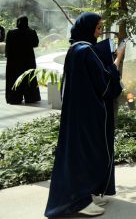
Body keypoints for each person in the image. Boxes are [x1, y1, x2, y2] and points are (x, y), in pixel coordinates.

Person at [45, 12, 124, 218]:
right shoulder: (86, 51)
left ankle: (86, 194)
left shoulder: (75, 49)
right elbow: (107, 85)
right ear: (88, 28)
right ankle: (79, 201)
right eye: (97, 28)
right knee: (87, 153)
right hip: (89, 114)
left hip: (78, 113)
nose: (99, 33)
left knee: (82, 152)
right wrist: (118, 60)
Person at [5, 16, 40, 104]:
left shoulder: (11, 32)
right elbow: (35, 44)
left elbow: (8, 47)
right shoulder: (32, 32)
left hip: (14, 60)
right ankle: (31, 97)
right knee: (29, 78)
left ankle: (14, 98)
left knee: (14, 79)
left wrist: (8, 57)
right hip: (28, 60)